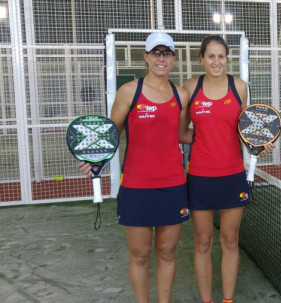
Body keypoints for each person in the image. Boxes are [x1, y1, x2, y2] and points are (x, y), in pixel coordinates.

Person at [78, 32, 192, 303]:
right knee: (140, 255)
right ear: (146, 57)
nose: (161, 58)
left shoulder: (181, 95)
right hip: (137, 187)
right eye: (156, 53)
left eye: (166, 53)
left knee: (167, 252)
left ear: (174, 58)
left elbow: (182, 135)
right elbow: (111, 132)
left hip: (174, 185)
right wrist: (97, 158)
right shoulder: (129, 91)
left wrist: (231, 137)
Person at [182, 35, 274, 303]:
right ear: (201, 59)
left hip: (233, 175)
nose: (216, 61)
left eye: (221, 56)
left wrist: (257, 142)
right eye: (210, 56)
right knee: (203, 242)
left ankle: (227, 300)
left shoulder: (239, 87)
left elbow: (245, 128)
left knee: (230, 240)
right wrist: (204, 139)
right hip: (199, 176)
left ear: (227, 58)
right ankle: (207, 300)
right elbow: (181, 132)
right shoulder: (190, 87)